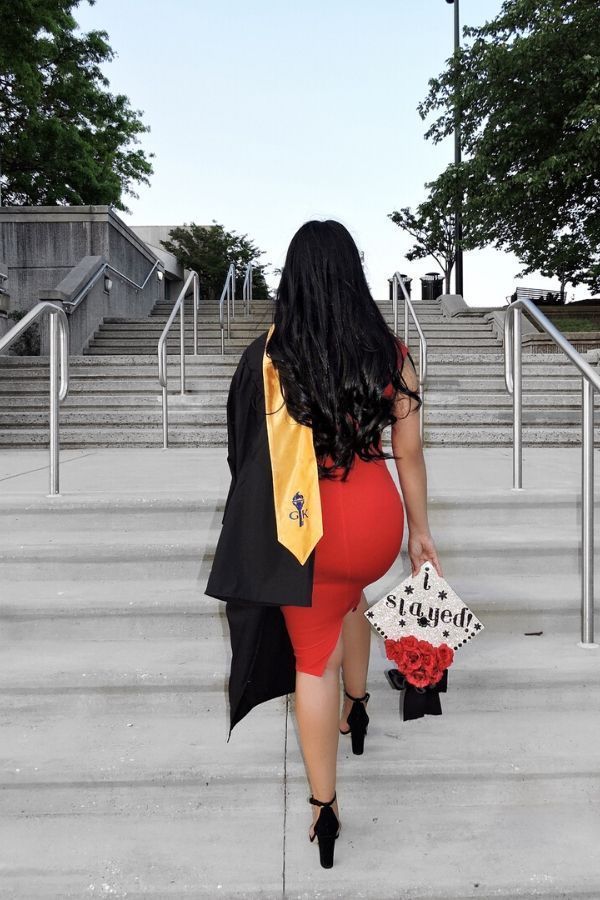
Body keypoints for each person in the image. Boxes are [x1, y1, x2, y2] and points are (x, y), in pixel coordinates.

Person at [205, 219, 442, 869]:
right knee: (353, 596)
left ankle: (325, 807)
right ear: (353, 275)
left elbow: (244, 455)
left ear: (294, 278)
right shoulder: (391, 353)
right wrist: (420, 534)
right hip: (374, 524)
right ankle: (358, 707)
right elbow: (410, 453)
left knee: (314, 660)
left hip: (304, 530)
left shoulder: (269, 357)